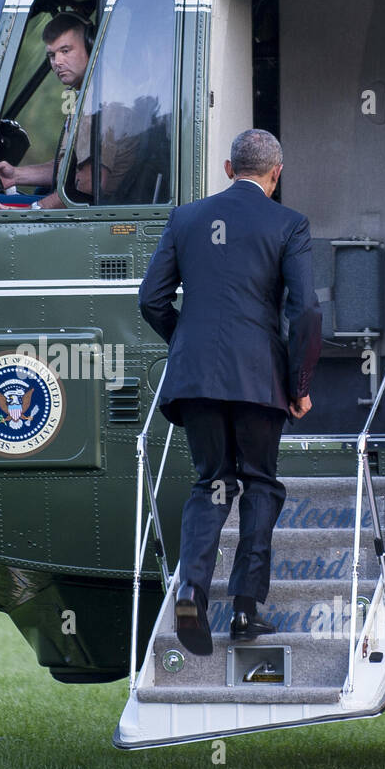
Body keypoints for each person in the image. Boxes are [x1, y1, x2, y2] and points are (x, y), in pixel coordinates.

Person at [138, 129, 321, 656]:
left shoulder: (186, 218)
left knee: (211, 484)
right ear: (276, 174)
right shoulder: (289, 223)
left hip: (196, 381)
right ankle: (244, 609)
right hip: (259, 381)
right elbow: (305, 311)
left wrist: (187, 347)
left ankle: (192, 588)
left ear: (226, 168)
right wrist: (298, 383)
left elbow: (151, 300)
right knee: (261, 484)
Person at [0, 12, 93, 210]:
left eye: (65, 50)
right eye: (52, 55)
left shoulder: (100, 106)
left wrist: (33, 209)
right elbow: (69, 170)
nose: (57, 62)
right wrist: (15, 175)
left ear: (91, 46)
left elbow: (84, 187)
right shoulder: (86, 97)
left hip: (81, 216)